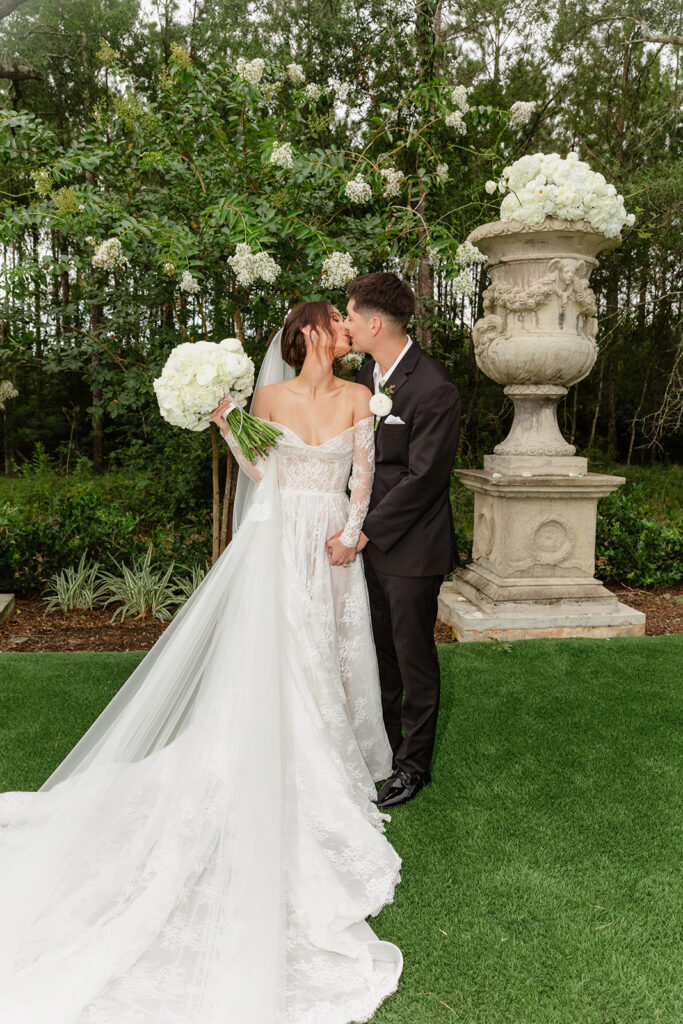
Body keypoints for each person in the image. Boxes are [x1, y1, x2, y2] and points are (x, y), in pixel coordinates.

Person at [0, 301, 402, 1024]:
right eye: (336, 324)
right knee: (283, 655)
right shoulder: (269, 398)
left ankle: (325, 761)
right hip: (277, 542)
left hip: (330, 547)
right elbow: (262, 468)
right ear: (310, 332)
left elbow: (362, 475)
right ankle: (267, 754)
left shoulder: (359, 397)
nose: (348, 332)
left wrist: (352, 532)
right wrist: (223, 421)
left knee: (330, 653)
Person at [342, 272, 461, 809]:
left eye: (348, 315)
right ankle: (387, 747)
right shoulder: (369, 371)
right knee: (381, 650)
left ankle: (415, 768)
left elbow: (425, 478)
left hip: (411, 547)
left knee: (413, 657)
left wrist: (364, 530)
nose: (344, 324)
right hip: (369, 541)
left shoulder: (434, 387)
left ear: (373, 323)